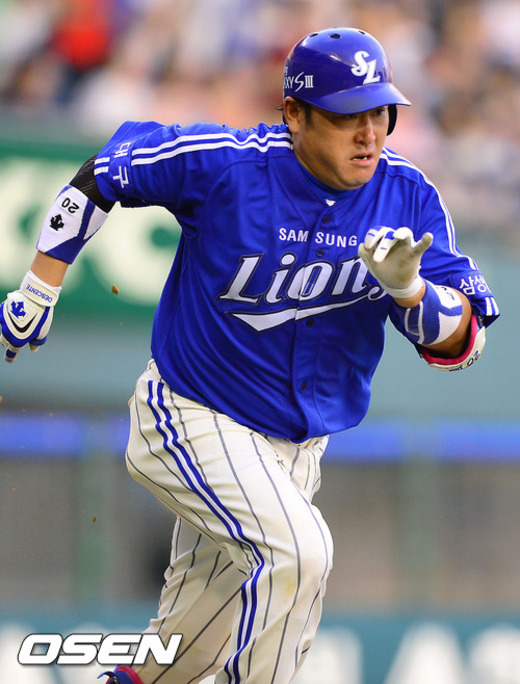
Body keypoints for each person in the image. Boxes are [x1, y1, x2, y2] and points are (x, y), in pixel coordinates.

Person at [0, 27, 500, 684]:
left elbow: (466, 343)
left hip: (295, 452)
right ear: (294, 113)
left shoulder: (407, 195)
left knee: (182, 655)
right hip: (192, 415)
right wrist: (40, 285)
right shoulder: (228, 165)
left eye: (381, 112)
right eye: (347, 115)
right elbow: (105, 172)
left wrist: (413, 293)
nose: (369, 133)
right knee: (302, 552)